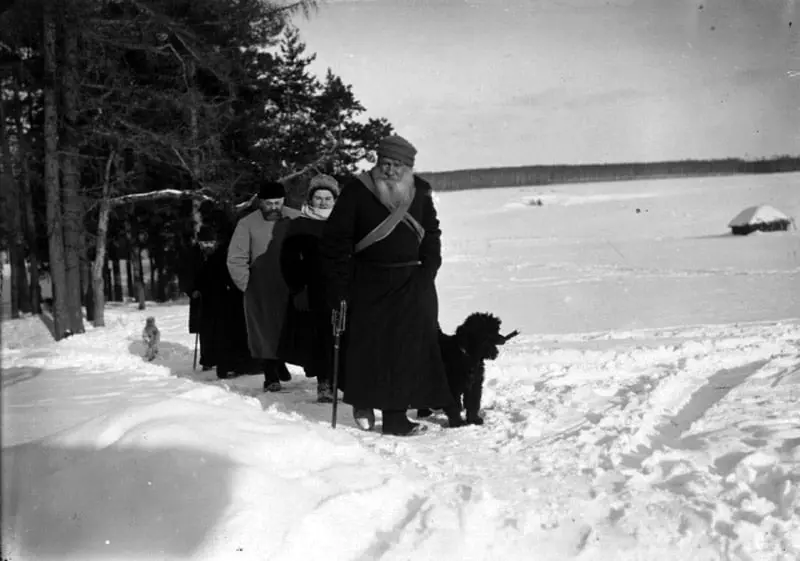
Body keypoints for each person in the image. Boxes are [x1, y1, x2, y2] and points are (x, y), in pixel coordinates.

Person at [319, 135, 456, 436]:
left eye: (397, 165)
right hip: (368, 282)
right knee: (371, 350)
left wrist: (428, 269)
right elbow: (336, 242)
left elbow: (432, 232)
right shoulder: (356, 191)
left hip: (413, 282)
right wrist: (340, 286)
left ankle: (396, 417)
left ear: (408, 167)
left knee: (407, 350)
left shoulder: (420, 191)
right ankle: (364, 402)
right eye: (385, 163)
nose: (390, 170)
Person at [226, 180, 294, 392]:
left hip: (291, 284)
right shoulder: (247, 223)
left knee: (288, 328)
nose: (274, 207)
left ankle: (281, 360)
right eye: (269, 203)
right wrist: (247, 285)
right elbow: (236, 258)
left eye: (278, 202)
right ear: (260, 202)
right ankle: (270, 374)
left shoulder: (296, 218)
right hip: (260, 286)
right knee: (264, 331)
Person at [278, 174, 340, 403]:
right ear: (310, 199)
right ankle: (325, 382)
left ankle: (343, 380)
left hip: (342, 288)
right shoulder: (300, 225)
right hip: (313, 291)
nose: (323, 202)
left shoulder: (344, 224)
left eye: (328, 198)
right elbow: (288, 261)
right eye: (318, 198)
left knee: (344, 335)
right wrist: (297, 288)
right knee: (320, 337)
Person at [191, 223, 254, 378]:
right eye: (205, 243)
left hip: (227, 299)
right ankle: (209, 360)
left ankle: (232, 363)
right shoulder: (194, 255)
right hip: (206, 299)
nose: (208, 246)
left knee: (228, 332)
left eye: (211, 242)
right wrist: (193, 290)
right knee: (208, 331)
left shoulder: (224, 254)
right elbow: (189, 275)